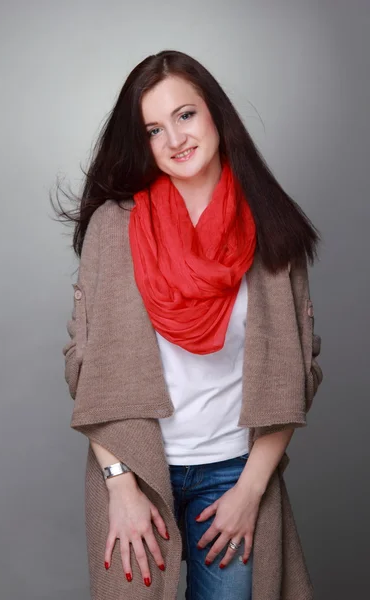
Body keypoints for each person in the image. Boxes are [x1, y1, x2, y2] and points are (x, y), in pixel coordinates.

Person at [55, 50, 323, 600]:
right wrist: (119, 486)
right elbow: (87, 364)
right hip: (138, 469)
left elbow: (296, 372)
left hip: (235, 472)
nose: (175, 139)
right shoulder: (116, 226)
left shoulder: (271, 227)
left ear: (216, 115)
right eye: (153, 129)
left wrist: (251, 491)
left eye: (185, 115)